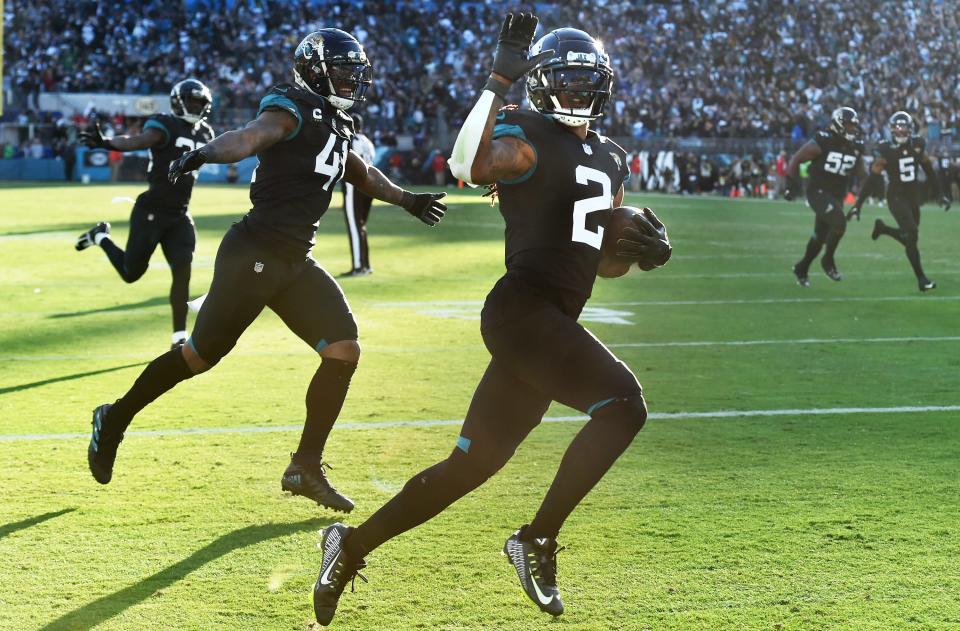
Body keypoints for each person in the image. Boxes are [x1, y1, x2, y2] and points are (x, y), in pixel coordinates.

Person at [311, 15, 671, 625]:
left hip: (548, 319)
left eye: (589, 83)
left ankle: (349, 545)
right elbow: (466, 165)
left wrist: (644, 252)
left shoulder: (612, 156)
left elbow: (600, 266)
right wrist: (499, 78)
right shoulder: (526, 135)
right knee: (624, 405)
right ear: (543, 84)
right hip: (522, 312)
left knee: (471, 465)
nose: (581, 93)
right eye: (569, 81)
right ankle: (535, 540)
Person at [84, 30, 447, 516]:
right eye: (342, 71)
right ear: (315, 70)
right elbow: (254, 135)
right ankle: (114, 418)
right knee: (197, 357)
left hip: (295, 260)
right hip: (253, 252)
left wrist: (409, 199)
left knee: (343, 349)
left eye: (354, 73)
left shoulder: (338, 123)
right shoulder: (291, 106)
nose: (351, 81)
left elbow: (357, 170)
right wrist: (206, 152)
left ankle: (305, 466)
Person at [75, 79, 216, 348]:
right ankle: (101, 237)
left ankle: (179, 337)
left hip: (179, 215)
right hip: (151, 211)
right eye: (192, 101)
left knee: (183, 272)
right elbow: (138, 140)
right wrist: (107, 143)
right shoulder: (165, 124)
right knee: (131, 273)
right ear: (178, 101)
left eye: (200, 103)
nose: (196, 106)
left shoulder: (206, 133)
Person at [847, 111, 950, 291]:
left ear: (910, 130)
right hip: (896, 196)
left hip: (913, 196)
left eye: (904, 130)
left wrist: (940, 194)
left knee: (911, 238)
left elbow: (929, 170)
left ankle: (883, 229)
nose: (901, 133)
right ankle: (922, 280)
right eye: (898, 130)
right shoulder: (885, 149)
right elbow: (872, 178)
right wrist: (858, 204)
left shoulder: (918, 144)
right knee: (910, 233)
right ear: (892, 130)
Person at [785, 106, 865, 286]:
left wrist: (866, 194)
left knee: (819, 237)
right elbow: (796, 159)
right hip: (817, 192)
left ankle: (802, 267)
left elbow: (862, 173)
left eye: (854, 126)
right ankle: (827, 260)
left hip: (837, 195)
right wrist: (791, 186)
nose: (853, 129)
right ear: (838, 125)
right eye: (849, 125)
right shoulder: (823, 140)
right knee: (839, 222)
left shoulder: (856, 146)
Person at [340, 113, 376, 276]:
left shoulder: (352, 140)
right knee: (361, 226)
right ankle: (366, 265)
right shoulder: (367, 142)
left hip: (354, 187)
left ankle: (358, 266)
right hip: (370, 187)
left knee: (355, 226)